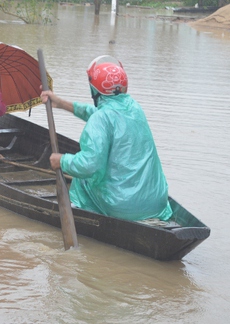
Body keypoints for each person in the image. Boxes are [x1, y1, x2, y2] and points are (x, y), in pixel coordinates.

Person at [40, 56, 172, 222]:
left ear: (94, 90)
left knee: (82, 177)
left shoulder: (101, 118)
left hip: (121, 206)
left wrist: (63, 161)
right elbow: (99, 114)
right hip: (156, 203)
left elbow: (89, 166)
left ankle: (78, 212)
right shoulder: (134, 108)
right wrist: (60, 103)